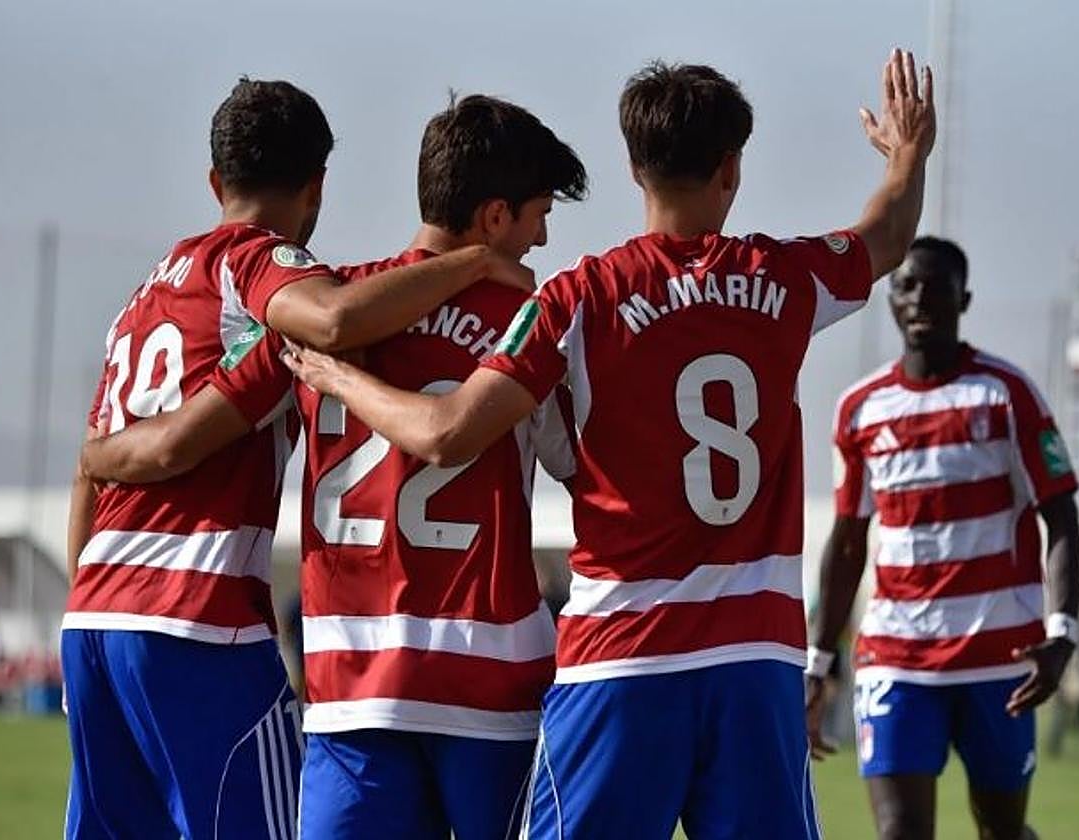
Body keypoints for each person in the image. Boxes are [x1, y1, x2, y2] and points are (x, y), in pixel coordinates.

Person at [284, 49, 936, 838]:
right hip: (752, 659)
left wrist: (337, 375)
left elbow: (449, 431)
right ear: (731, 169)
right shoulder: (788, 279)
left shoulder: (577, 298)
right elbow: (890, 232)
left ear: (634, 169)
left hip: (621, 658)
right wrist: (908, 152)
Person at [64, 78, 531, 840]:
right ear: (317, 185)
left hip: (93, 621)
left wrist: (82, 598)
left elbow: (91, 465)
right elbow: (334, 318)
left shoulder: (143, 297)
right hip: (197, 617)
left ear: (215, 181)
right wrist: (475, 262)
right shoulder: (257, 265)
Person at [290, 94, 584, 840]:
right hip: (487, 676)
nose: (543, 237)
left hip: (352, 678)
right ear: (493, 219)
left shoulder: (325, 308)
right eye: (538, 214)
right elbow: (575, 461)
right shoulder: (526, 322)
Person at [805, 237, 1079, 840]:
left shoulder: (1007, 395)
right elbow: (849, 541)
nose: (921, 298)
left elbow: (1062, 518)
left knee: (1002, 830)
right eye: (906, 285)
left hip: (999, 658)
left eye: (937, 286)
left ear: (965, 299)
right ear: (890, 301)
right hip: (895, 657)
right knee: (901, 831)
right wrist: (818, 660)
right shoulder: (861, 409)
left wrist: (1062, 633)